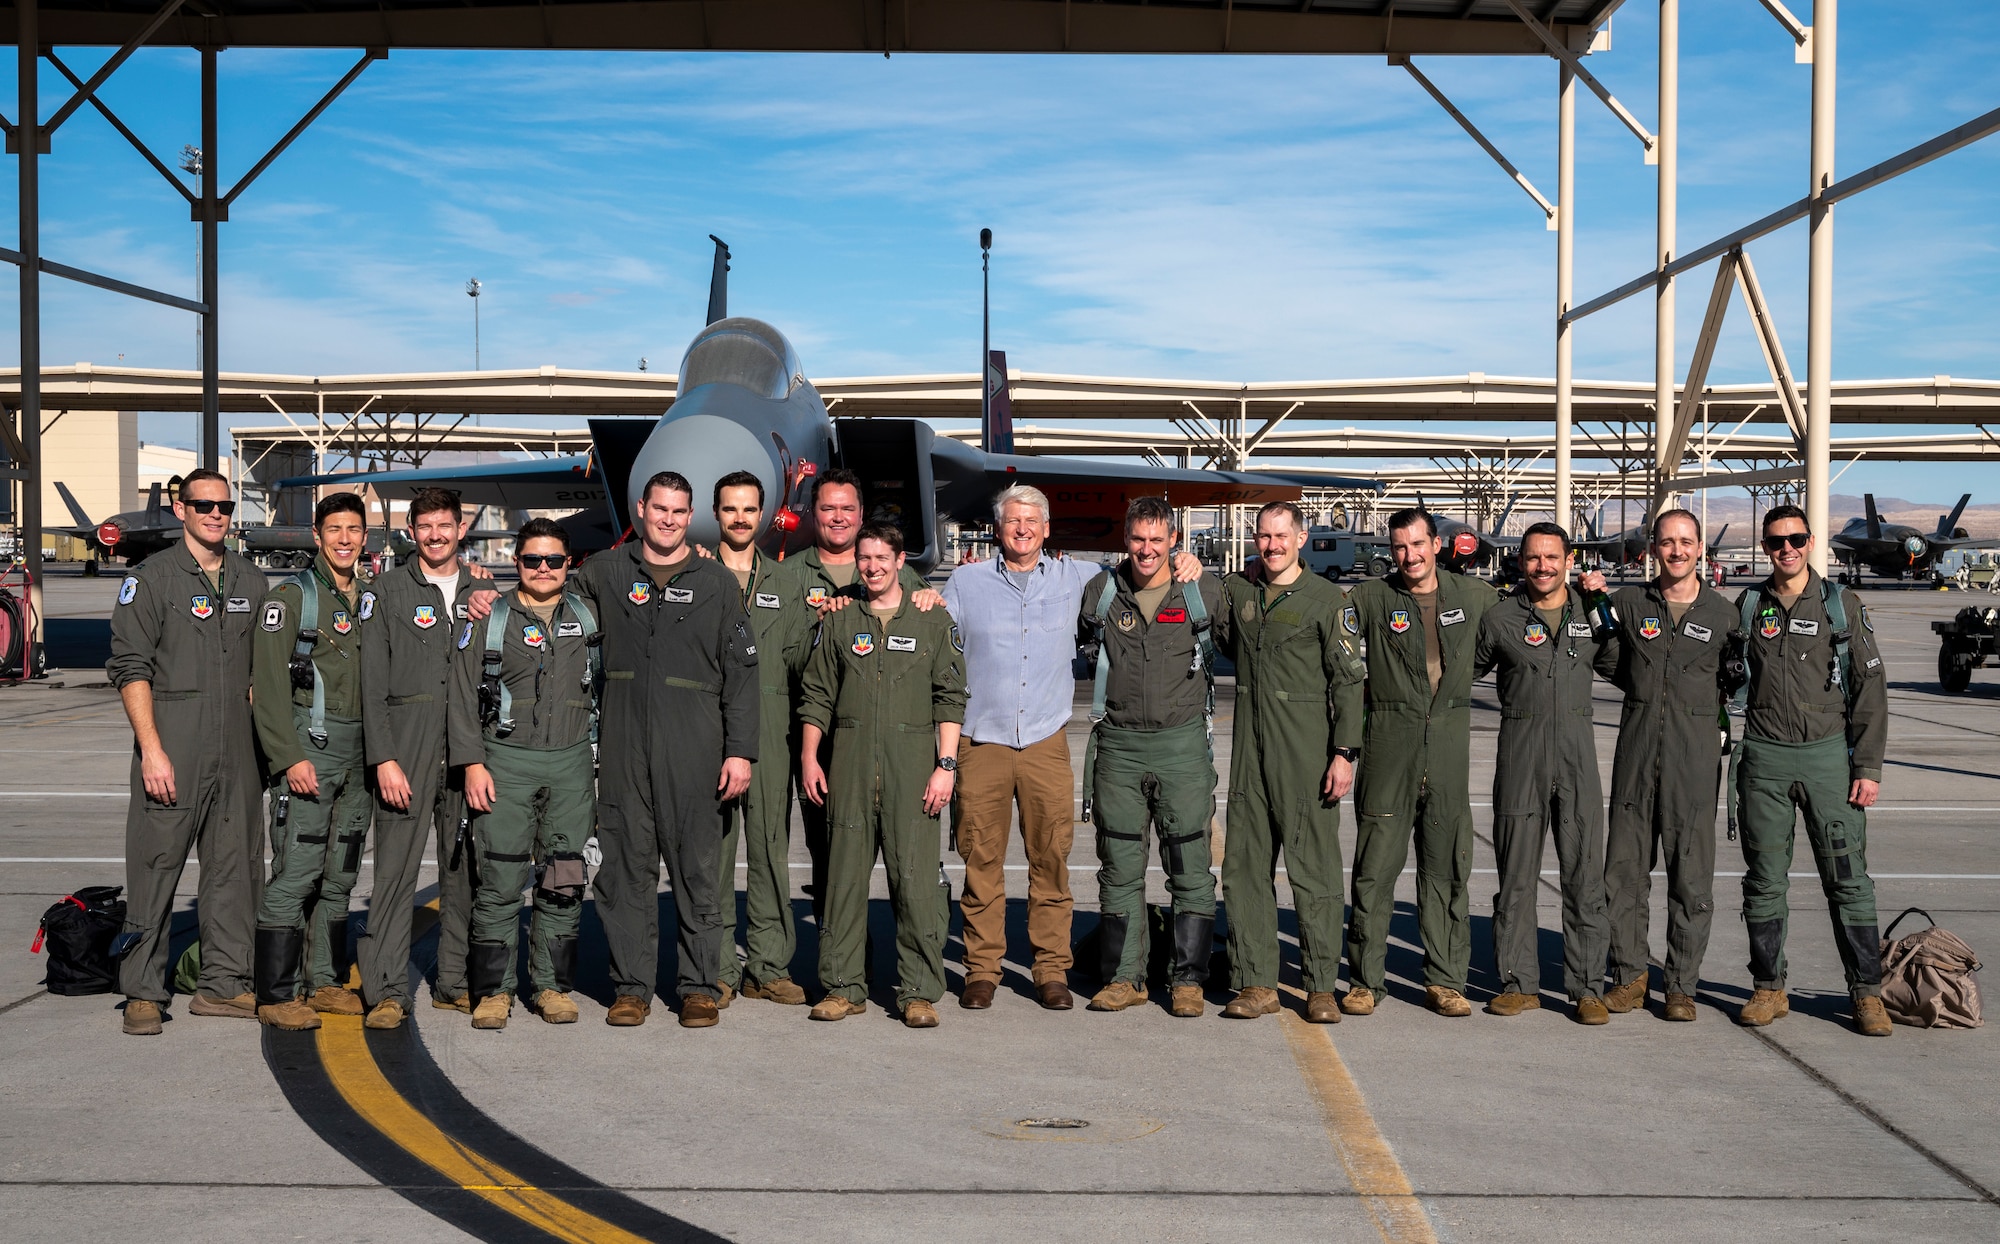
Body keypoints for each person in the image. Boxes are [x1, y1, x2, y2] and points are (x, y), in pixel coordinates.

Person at [940, 483, 1201, 1012]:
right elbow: (925, 625)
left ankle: (1050, 969)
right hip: (981, 742)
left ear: (1047, 528)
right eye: (1013, 521)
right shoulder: (963, 584)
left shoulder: (1080, 579)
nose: (1022, 529)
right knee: (981, 861)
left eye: (1032, 522)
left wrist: (1185, 562)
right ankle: (982, 969)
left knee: (1051, 861)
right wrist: (918, 590)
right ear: (998, 527)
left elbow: (1141, 569)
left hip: (1045, 742)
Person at [574, 470, 758, 1029]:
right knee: (625, 870)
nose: (669, 520)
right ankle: (631, 987)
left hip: (695, 746)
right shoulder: (604, 572)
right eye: (660, 510)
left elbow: (743, 672)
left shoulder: (716, 582)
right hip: (625, 742)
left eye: (680, 512)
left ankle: (700, 986)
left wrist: (739, 750)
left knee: (698, 871)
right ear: (640, 509)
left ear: (690, 515)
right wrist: (489, 591)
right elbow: (548, 608)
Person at [108, 469, 267, 1035]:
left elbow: (261, 675)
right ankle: (143, 992)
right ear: (182, 509)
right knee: (154, 869)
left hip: (238, 751)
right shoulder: (151, 580)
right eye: (203, 505)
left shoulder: (252, 580)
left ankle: (222, 984)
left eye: (224, 505)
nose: (215, 514)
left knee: (236, 872)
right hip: (173, 741)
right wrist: (152, 750)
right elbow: (130, 669)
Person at [1731, 505, 1892, 1037]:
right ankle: (1768, 987)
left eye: (1796, 539)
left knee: (1848, 880)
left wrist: (1867, 766)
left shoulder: (1840, 605)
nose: (1787, 549)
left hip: (1828, 758)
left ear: (1811, 540)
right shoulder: (1749, 604)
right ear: (1765, 545)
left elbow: (1870, 688)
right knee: (1764, 880)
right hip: (1766, 759)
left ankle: (1867, 994)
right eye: (1776, 541)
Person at [798, 523, 966, 1027]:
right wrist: (810, 756)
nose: (871, 567)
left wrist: (945, 766)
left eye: (881, 558)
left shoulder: (931, 621)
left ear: (900, 562)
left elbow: (951, 696)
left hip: (913, 766)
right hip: (847, 766)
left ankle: (917, 991)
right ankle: (842, 985)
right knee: (842, 882)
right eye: (864, 558)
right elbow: (817, 694)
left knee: (914, 883)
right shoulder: (841, 620)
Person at [1341, 508, 1498, 1018]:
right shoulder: (1370, 597)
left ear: (1437, 544)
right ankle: (1365, 981)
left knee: (1448, 869)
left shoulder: (1475, 597)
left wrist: (1588, 593)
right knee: (1373, 872)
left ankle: (1446, 981)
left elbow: (1523, 625)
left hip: (1448, 745)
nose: (1410, 556)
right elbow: (1328, 629)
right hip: (1389, 744)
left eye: (1418, 544)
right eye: (1400, 547)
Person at [1214, 501, 1364, 1024]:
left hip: (1306, 751)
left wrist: (1344, 754)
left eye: (1281, 536)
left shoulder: (1327, 600)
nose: (1272, 545)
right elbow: (1213, 619)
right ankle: (1255, 981)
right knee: (1244, 869)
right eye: (1263, 536)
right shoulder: (1241, 591)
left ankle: (1321, 985)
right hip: (1249, 756)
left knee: (1314, 869)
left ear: (1301, 539)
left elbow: (1348, 682)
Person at [1077, 496, 1227, 1019]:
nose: (1147, 549)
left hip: (1181, 748)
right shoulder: (1100, 594)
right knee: (1119, 868)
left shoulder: (1201, 590)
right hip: (1117, 747)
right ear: (1126, 540)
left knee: (1190, 866)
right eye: (1138, 539)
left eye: (1157, 540)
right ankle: (1125, 977)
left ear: (1173, 540)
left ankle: (1188, 980)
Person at [768, 469, 938, 925]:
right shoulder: (787, 575)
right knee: (830, 858)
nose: (838, 517)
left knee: (909, 864)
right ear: (812, 513)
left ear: (862, 514)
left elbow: (935, 640)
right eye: (828, 508)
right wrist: (825, 626)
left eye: (847, 509)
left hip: (887, 744)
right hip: (816, 739)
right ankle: (841, 966)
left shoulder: (904, 576)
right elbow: (784, 656)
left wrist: (932, 601)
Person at [449, 519, 600, 1030]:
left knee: (564, 878)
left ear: (568, 564)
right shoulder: (488, 618)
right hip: (505, 762)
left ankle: (552, 987)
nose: (542, 568)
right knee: (499, 879)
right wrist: (471, 763)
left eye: (553, 560)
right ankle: (494, 991)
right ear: (515, 564)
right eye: (532, 560)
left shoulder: (588, 616)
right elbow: (462, 697)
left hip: (571, 763)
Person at [354, 487, 494, 1028]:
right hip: (406, 750)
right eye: (425, 527)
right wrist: (384, 758)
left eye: (445, 526)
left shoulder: (485, 590)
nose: (435, 536)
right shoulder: (386, 591)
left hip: (466, 751)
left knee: (464, 871)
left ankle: (453, 981)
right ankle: (388, 989)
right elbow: (371, 685)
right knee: (394, 873)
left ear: (461, 528)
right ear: (411, 532)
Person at [1591, 509, 1738, 1022]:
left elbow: (1740, 680)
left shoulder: (1725, 615)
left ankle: (1681, 986)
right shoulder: (1629, 604)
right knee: (1624, 873)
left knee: (1691, 876)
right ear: (1653, 548)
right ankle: (1629, 976)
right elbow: (1605, 656)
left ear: (1701, 548)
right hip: (1636, 752)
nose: (1677, 551)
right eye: (1667, 542)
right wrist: (1591, 595)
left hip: (1694, 759)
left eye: (1686, 542)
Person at [1471, 522, 1615, 1024]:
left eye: (1552, 557)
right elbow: (1466, 669)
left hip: (1577, 758)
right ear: (1521, 562)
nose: (1543, 567)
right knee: (1515, 876)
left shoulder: (1587, 612)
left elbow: (1619, 665)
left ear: (1569, 559)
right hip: (1521, 755)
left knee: (1584, 876)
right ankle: (1517, 982)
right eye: (1533, 558)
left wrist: (1605, 606)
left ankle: (1587, 987)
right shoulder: (1501, 617)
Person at [249, 492, 373, 1030]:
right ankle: (277, 993)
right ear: (317, 536)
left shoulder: (370, 599)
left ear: (366, 537)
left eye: (354, 529)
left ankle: (323, 980)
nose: (345, 539)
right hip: (309, 752)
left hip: (360, 759)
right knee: (297, 871)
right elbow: (269, 689)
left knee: (341, 871)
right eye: (335, 530)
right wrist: (288, 757)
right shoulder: (290, 598)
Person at [710, 470, 813, 1006]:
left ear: (762, 513)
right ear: (717, 514)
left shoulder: (787, 582)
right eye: (730, 509)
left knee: (771, 848)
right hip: (713, 730)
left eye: (749, 509)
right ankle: (721, 966)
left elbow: (804, 661)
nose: (741, 518)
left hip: (774, 729)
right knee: (717, 852)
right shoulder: (698, 577)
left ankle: (769, 966)